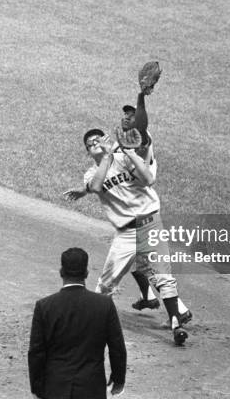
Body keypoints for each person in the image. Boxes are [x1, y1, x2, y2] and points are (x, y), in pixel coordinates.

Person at [73, 127, 189, 345]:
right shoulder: (91, 173)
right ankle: (95, 324)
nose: (94, 143)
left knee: (164, 277)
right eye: (89, 143)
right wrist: (107, 156)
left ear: (107, 139)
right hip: (125, 234)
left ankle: (176, 324)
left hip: (150, 225)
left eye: (98, 139)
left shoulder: (124, 159)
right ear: (88, 153)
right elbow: (96, 186)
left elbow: (148, 179)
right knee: (106, 284)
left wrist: (129, 153)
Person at [28, 247, 126, 399]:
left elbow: (36, 352)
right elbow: (117, 347)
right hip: (91, 388)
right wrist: (118, 380)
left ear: (61, 272)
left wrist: (37, 387)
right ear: (86, 273)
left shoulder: (44, 306)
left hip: (55, 388)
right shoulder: (104, 305)